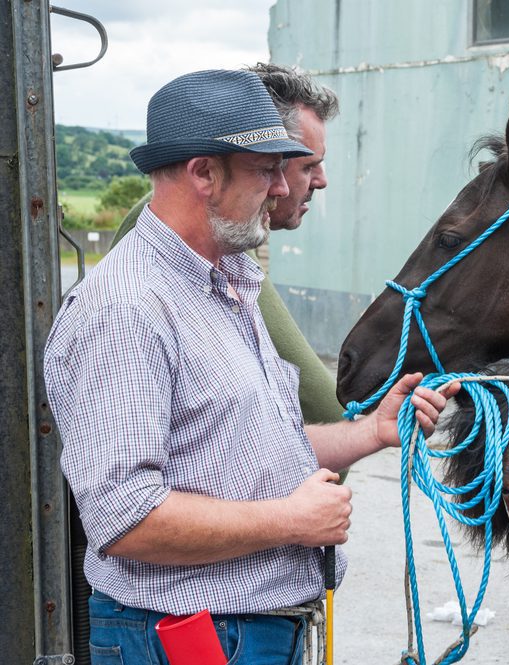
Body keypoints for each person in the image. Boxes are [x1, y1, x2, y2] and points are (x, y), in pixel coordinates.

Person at [44, 69, 457, 665]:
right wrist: (290, 520)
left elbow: (252, 450)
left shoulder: (224, 284)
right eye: (266, 170)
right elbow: (124, 520)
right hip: (189, 638)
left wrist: (371, 432)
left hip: (235, 633)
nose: (282, 189)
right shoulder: (126, 309)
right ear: (204, 173)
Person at [113, 63, 341, 428]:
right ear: (206, 173)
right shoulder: (207, 234)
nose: (321, 181)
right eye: (305, 165)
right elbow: (323, 411)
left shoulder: (226, 236)